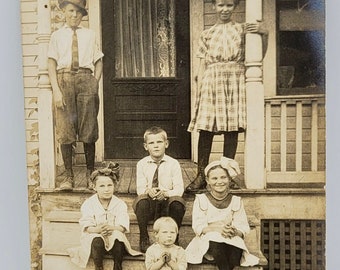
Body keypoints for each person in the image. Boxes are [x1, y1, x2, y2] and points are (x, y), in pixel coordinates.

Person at [186, 0, 268, 193]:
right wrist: (200, 89)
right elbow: (200, 68)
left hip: (234, 79)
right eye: (221, 5)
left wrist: (265, 34)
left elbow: (259, 55)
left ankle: (227, 174)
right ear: (214, 6)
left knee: (231, 129)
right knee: (205, 129)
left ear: (235, 7)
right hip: (211, 80)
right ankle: (201, 176)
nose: (224, 9)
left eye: (229, 5)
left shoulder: (242, 30)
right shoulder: (207, 34)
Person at [48, 0, 104, 190]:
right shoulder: (57, 36)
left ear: (83, 15)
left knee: (88, 128)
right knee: (65, 129)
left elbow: (98, 60)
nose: (74, 15)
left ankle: (91, 176)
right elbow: (51, 64)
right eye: (71, 11)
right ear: (63, 11)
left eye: (79, 12)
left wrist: (94, 82)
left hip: (85, 78)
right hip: (64, 80)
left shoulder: (90, 34)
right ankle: (68, 177)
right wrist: (56, 90)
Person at [185, 158, 259, 270]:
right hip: (209, 240)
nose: (219, 181)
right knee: (216, 243)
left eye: (223, 177)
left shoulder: (236, 201)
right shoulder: (201, 200)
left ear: (229, 179)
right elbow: (198, 226)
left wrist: (234, 231)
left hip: (230, 237)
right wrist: (218, 229)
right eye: (214, 178)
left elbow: (243, 227)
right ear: (207, 180)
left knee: (235, 248)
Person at [67, 163, 142, 270]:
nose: (106, 189)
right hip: (95, 234)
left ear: (115, 186)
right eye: (102, 186)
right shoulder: (89, 204)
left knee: (118, 237)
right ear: (94, 187)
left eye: (109, 185)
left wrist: (112, 228)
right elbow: (87, 226)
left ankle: (117, 265)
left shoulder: (120, 204)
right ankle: (99, 266)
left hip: (112, 233)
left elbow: (122, 226)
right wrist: (97, 229)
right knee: (96, 240)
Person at [133, 126, 186, 253]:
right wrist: (148, 191)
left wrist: (166, 193)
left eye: (159, 142)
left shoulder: (173, 163)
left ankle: (174, 237)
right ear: (146, 146)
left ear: (166, 144)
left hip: (167, 203)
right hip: (151, 203)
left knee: (178, 204)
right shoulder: (141, 164)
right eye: (151, 143)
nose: (156, 146)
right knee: (141, 203)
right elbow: (140, 188)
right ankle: (144, 236)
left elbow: (179, 189)